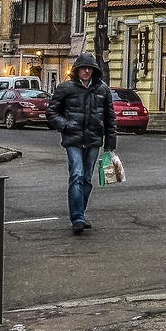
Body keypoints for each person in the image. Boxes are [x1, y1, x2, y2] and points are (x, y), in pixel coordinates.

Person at [46, 52, 117, 234]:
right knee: (76, 174)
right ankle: (77, 217)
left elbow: (110, 119)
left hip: (93, 140)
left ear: (94, 70)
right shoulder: (66, 88)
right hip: (73, 139)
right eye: (83, 68)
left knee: (86, 179)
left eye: (89, 68)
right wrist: (66, 125)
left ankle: (80, 213)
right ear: (77, 70)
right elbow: (52, 113)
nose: (86, 71)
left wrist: (110, 145)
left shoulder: (102, 90)